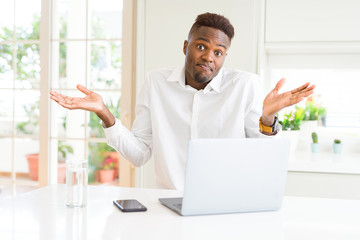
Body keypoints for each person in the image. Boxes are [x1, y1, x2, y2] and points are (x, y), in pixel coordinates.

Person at [50, 12, 315, 190]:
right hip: (168, 204)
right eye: (201, 46)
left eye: (219, 52)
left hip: (227, 204)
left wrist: (267, 118)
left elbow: (263, 156)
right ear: (186, 46)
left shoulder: (245, 85)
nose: (209, 57)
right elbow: (140, 154)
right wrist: (105, 114)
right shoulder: (156, 83)